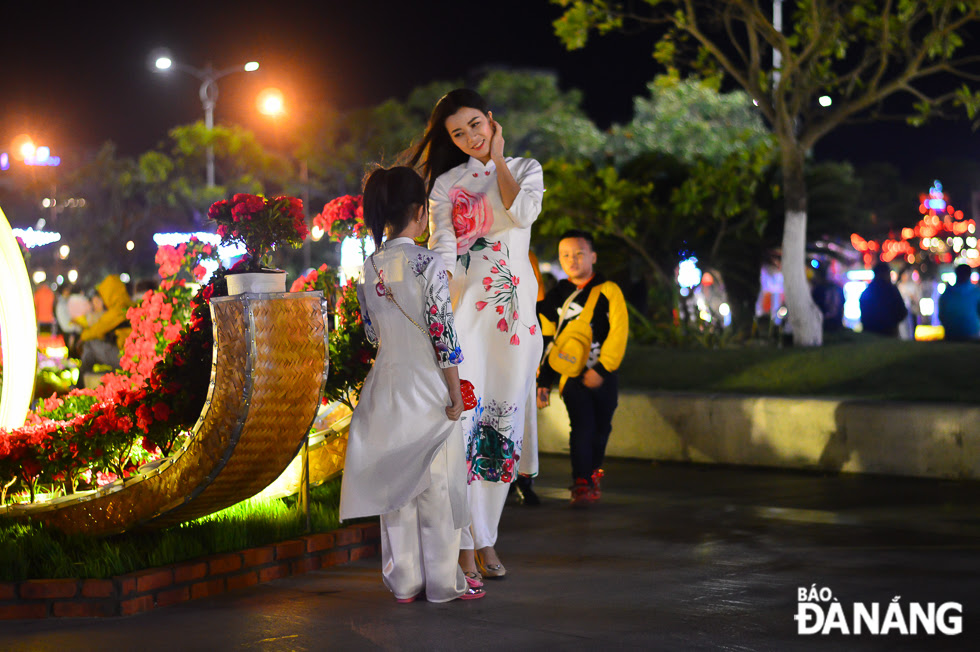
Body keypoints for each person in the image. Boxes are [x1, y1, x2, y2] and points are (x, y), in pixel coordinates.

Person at [408, 88, 544, 580]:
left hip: (514, 322)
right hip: (468, 315)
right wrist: (434, 305)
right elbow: (443, 248)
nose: (469, 138)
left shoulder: (526, 169)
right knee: (464, 431)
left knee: (498, 432)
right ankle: (467, 546)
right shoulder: (445, 182)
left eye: (474, 125)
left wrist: (500, 157)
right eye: (456, 133)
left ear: (491, 120)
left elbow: (523, 214)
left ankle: (487, 537)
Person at [338, 166, 483, 603]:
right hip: (425, 383)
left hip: (385, 384)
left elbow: (371, 333)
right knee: (435, 485)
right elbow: (444, 336)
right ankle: (443, 584)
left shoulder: (370, 265)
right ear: (420, 212)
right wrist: (456, 393)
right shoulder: (429, 263)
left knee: (394, 486)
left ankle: (404, 581)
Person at [536, 230, 628, 507]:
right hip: (571, 377)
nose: (572, 260)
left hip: (604, 375)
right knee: (582, 427)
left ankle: (593, 472)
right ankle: (581, 482)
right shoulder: (556, 296)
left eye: (579, 254)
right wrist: (544, 382)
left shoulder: (609, 291)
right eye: (565, 255)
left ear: (593, 256)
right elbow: (548, 340)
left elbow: (619, 332)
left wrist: (602, 369)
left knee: (602, 428)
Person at [77, 275, 132, 382]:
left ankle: (80, 383)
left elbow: (95, 331)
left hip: (124, 359)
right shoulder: (128, 305)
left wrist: (81, 338)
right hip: (129, 355)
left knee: (91, 343)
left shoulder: (116, 311)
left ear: (109, 294)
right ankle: (81, 381)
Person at [859, 262, 907, 336]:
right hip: (889, 334)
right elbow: (902, 312)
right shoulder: (891, 291)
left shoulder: (867, 292)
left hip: (870, 335)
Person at [938, 264, 980, 341]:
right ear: (969, 274)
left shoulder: (947, 293)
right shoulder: (976, 292)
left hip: (951, 333)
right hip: (972, 332)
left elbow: (941, 314)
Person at [810, 266, 845, 333]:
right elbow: (842, 305)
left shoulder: (818, 289)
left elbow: (814, 306)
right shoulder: (838, 287)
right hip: (836, 324)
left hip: (823, 325)